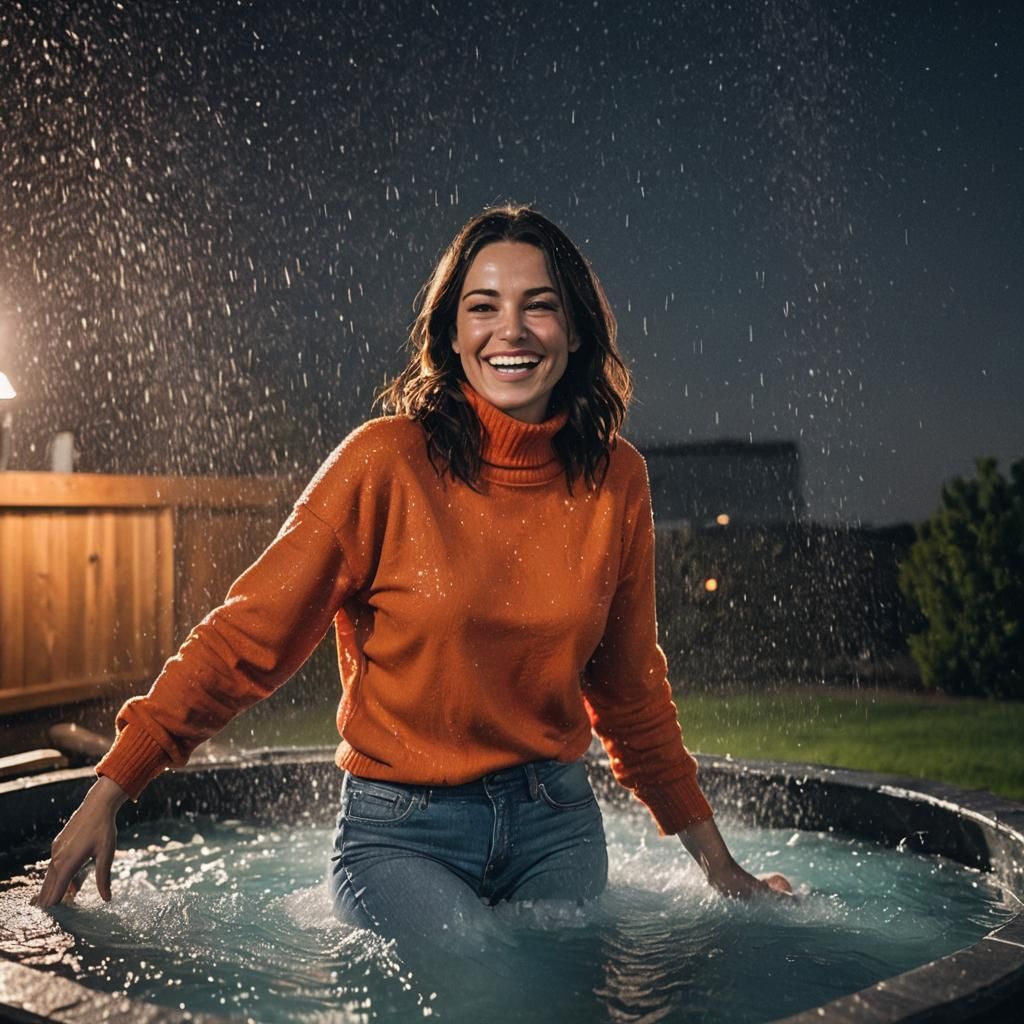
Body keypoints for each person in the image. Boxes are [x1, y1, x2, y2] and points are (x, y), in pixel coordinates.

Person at [34, 206, 790, 950]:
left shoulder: (617, 478)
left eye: (540, 307)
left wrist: (721, 868)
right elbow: (247, 635)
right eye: (483, 307)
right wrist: (113, 785)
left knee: (553, 999)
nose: (512, 331)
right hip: (400, 835)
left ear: (578, 330)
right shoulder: (384, 462)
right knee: (478, 980)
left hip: (555, 824)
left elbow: (630, 692)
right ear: (452, 334)